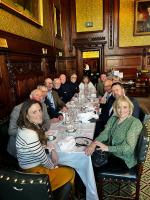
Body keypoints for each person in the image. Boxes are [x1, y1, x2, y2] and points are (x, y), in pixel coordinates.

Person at [16, 99, 75, 200]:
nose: (39, 114)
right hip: (33, 172)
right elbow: (42, 158)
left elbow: (37, 147)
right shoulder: (29, 133)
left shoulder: (27, 126)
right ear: (26, 115)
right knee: (71, 171)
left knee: (63, 163)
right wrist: (53, 167)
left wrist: (51, 149)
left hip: (32, 166)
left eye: (39, 110)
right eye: (34, 112)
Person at [85, 96, 143, 169]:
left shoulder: (134, 123)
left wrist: (107, 148)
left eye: (125, 107)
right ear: (115, 108)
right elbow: (105, 133)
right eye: (119, 107)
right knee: (87, 154)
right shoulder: (113, 119)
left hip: (124, 159)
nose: (121, 110)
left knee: (92, 165)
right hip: (111, 153)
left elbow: (129, 149)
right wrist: (94, 143)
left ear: (130, 108)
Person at [7, 89, 51, 158]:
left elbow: (47, 120)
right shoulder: (18, 109)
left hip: (37, 142)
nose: (40, 97)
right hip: (20, 150)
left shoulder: (43, 105)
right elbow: (11, 131)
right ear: (30, 97)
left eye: (41, 96)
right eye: (37, 95)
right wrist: (33, 132)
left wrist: (42, 130)